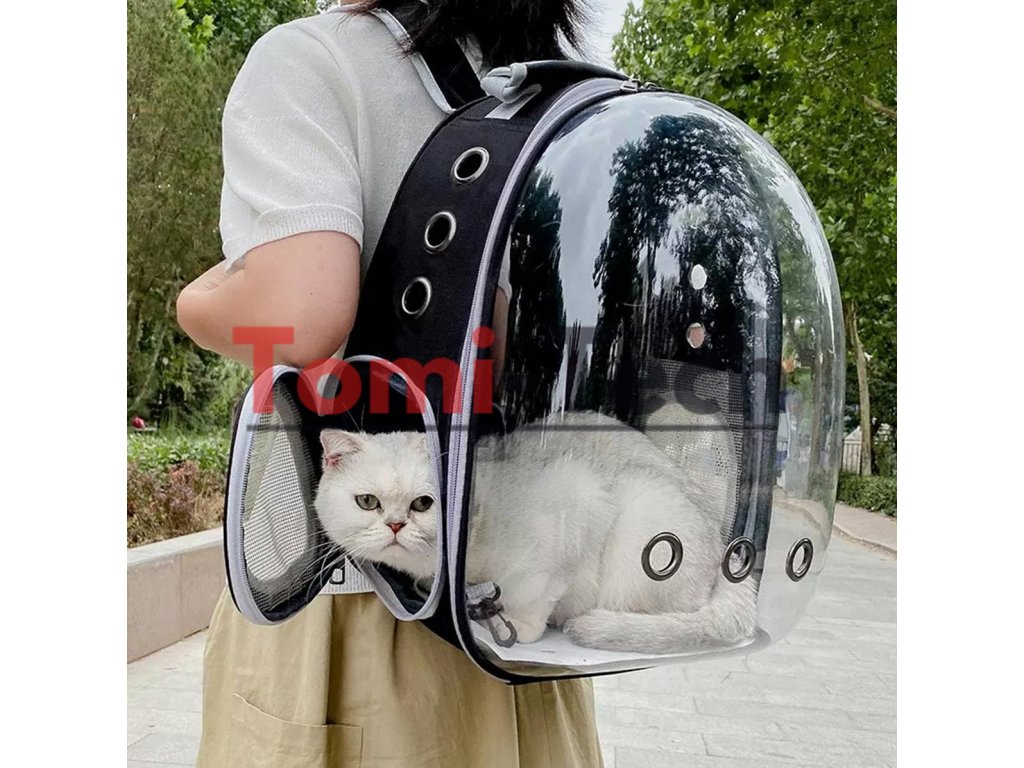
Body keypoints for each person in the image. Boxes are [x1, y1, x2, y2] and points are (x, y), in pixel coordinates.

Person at [175, 2, 604, 766]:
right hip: (512, 614)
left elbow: (303, 315)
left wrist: (196, 302)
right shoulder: (552, 100)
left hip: (346, 616)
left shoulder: (315, 60)